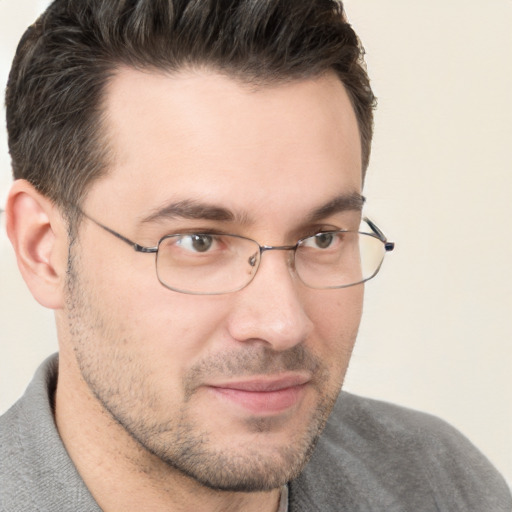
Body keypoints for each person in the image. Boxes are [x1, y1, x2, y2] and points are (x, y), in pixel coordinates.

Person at [0, 0, 510, 510]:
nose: (282, 323)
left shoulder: (444, 484)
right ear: (43, 248)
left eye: (322, 238)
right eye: (199, 241)